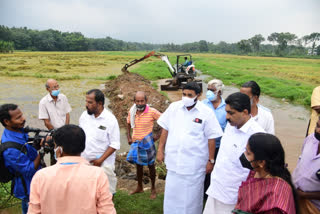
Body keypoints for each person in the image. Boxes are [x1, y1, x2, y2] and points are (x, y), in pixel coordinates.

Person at [157, 82, 223, 214]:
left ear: (198, 95)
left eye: (190, 95)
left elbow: (212, 137)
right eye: (184, 94)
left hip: (194, 165)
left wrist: (211, 160)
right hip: (174, 162)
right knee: (172, 196)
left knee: (190, 199)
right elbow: (165, 128)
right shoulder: (174, 107)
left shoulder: (206, 113)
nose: (186, 97)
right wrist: (160, 149)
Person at [28, 125, 116, 214]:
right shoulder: (98, 175)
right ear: (83, 146)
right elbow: (107, 210)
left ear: (59, 149)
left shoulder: (41, 176)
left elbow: (34, 211)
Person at [204, 92, 265, 214]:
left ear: (245, 112)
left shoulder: (257, 135)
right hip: (217, 186)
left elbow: (260, 170)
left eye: (231, 113)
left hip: (234, 195)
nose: (226, 117)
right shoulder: (231, 125)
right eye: (226, 112)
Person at [233, 133, 297, 214]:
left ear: (261, 162)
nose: (244, 155)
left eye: (248, 153)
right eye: (245, 150)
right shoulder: (254, 173)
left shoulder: (276, 194)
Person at [0, 104, 42, 214]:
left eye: (21, 115)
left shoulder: (19, 131)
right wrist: (42, 152)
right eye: (18, 118)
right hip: (28, 189)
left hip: (37, 182)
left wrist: (37, 145)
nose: (23, 119)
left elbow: (27, 151)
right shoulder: (10, 149)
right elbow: (29, 170)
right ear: (7, 122)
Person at [79, 89, 120, 195]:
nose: (86, 105)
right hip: (86, 163)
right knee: (88, 193)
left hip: (104, 164)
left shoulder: (110, 120)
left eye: (90, 102)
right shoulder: (84, 116)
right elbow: (80, 137)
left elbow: (114, 144)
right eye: (86, 101)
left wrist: (100, 160)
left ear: (100, 103)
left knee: (107, 192)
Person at [126, 91, 161, 199]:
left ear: (146, 101)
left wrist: (157, 136)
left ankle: (153, 189)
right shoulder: (132, 112)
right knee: (138, 166)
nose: (140, 103)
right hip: (136, 143)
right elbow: (128, 123)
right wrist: (128, 136)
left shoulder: (152, 112)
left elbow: (165, 122)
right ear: (134, 101)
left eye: (142, 101)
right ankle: (139, 187)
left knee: (151, 166)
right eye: (137, 101)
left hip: (148, 143)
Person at [202, 79, 227, 200]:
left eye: (212, 90)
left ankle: (211, 197)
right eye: (208, 89)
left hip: (219, 147)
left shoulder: (226, 107)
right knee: (203, 172)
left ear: (219, 91)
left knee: (215, 173)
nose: (209, 92)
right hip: (203, 146)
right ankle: (201, 196)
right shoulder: (202, 104)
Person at [39, 79, 71, 165]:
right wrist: (56, 133)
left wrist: (66, 129)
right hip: (54, 134)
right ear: (47, 89)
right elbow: (46, 122)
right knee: (55, 157)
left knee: (67, 155)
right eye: (54, 87)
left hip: (65, 132)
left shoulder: (63, 97)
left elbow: (67, 114)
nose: (57, 89)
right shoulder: (43, 102)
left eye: (57, 86)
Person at [293, 116, 320, 213]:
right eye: (317, 125)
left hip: (313, 207)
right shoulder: (310, 139)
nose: (318, 130)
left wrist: (304, 195)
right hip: (294, 197)